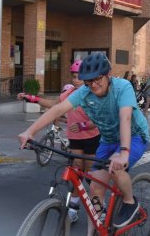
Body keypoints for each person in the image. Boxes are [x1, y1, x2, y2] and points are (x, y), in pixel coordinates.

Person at [18, 53, 149, 236]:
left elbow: (125, 118)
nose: (94, 85)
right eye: (89, 81)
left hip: (134, 136)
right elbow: (56, 110)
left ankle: (131, 203)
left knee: (116, 166)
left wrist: (123, 152)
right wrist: (30, 132)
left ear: (108, 75)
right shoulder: (84, 92)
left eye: (98, 79)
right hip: (107, 139)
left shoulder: (122, 87)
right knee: (95, 187)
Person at [17, 60, 101, 223]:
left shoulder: (92, 94)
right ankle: (74, 208)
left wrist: (83, 126)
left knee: (92, 178)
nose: (76, 80)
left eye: (79, 77)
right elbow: (53, 105)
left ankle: (100, 208)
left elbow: (101, 119)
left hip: (92, 138)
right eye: (74, 76)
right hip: (75, 139)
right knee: (77, 174)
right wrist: (31, 98)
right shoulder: (69, 94)